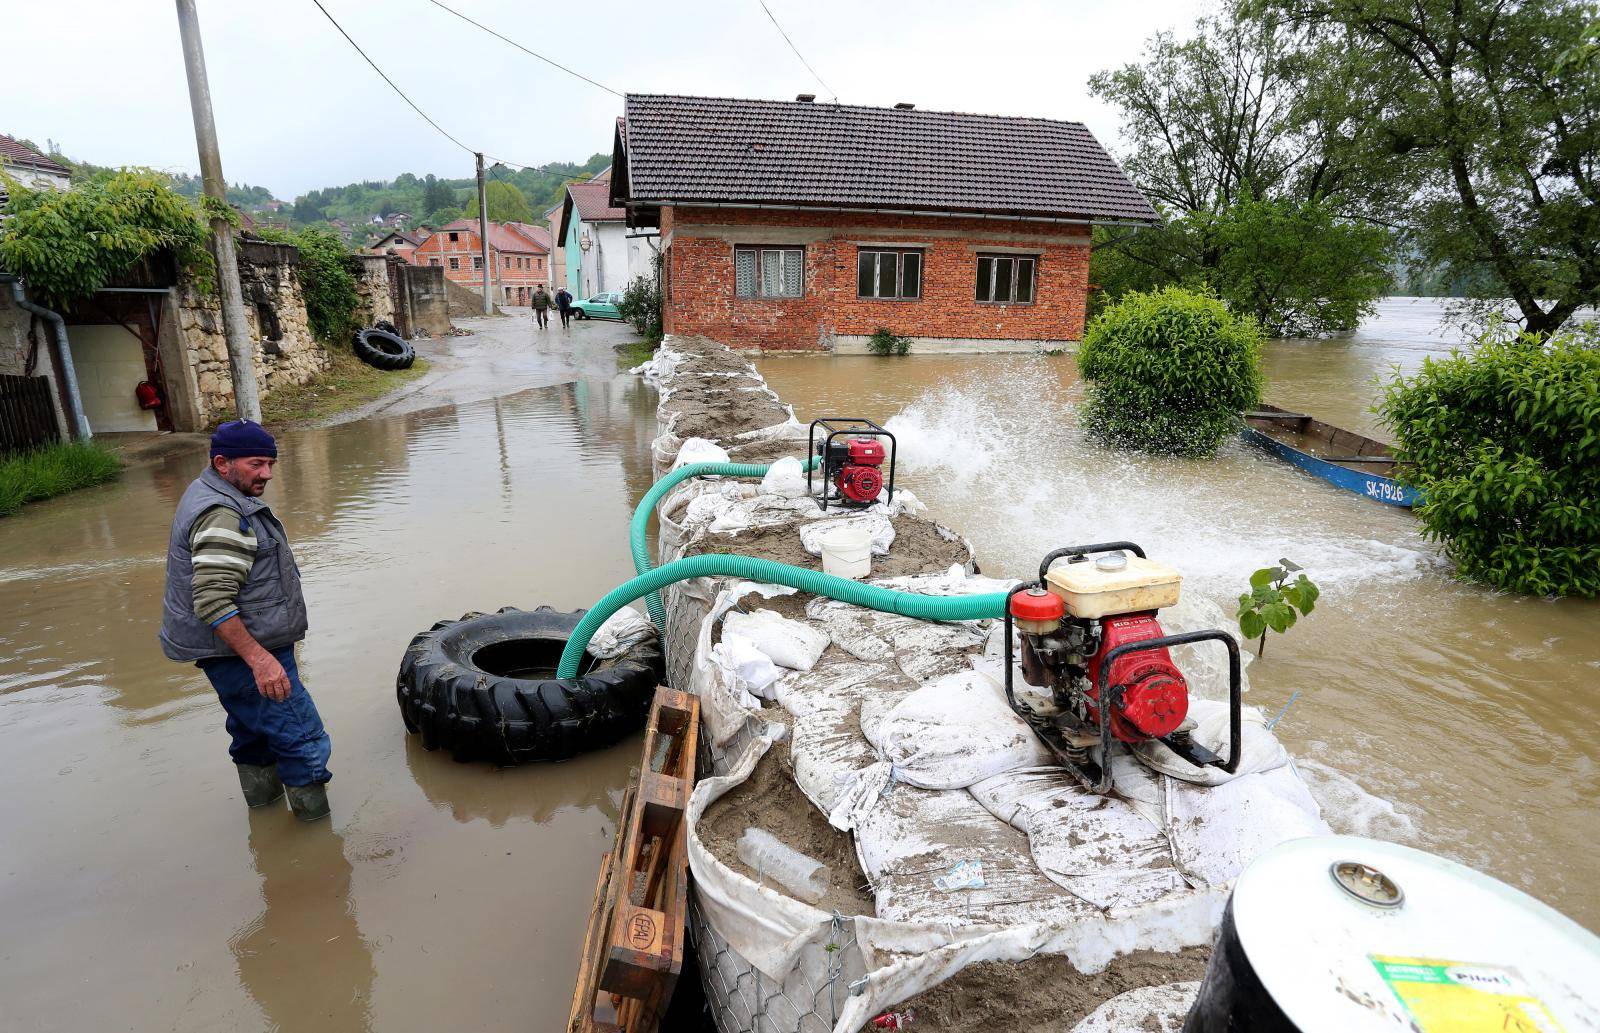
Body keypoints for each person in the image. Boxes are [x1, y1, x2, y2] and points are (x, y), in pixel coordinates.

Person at [159, 420, 332, 822]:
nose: (267, 474)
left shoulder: (209, 491)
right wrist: (260, 660)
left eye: (270, 463)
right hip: (244, 650)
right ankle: (317, 844)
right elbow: (213, 600)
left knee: (253, 736)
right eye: (257, 464)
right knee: (302, 739)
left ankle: (266, 827)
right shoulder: (222, 513)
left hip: (229, 650)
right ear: (223, 463)